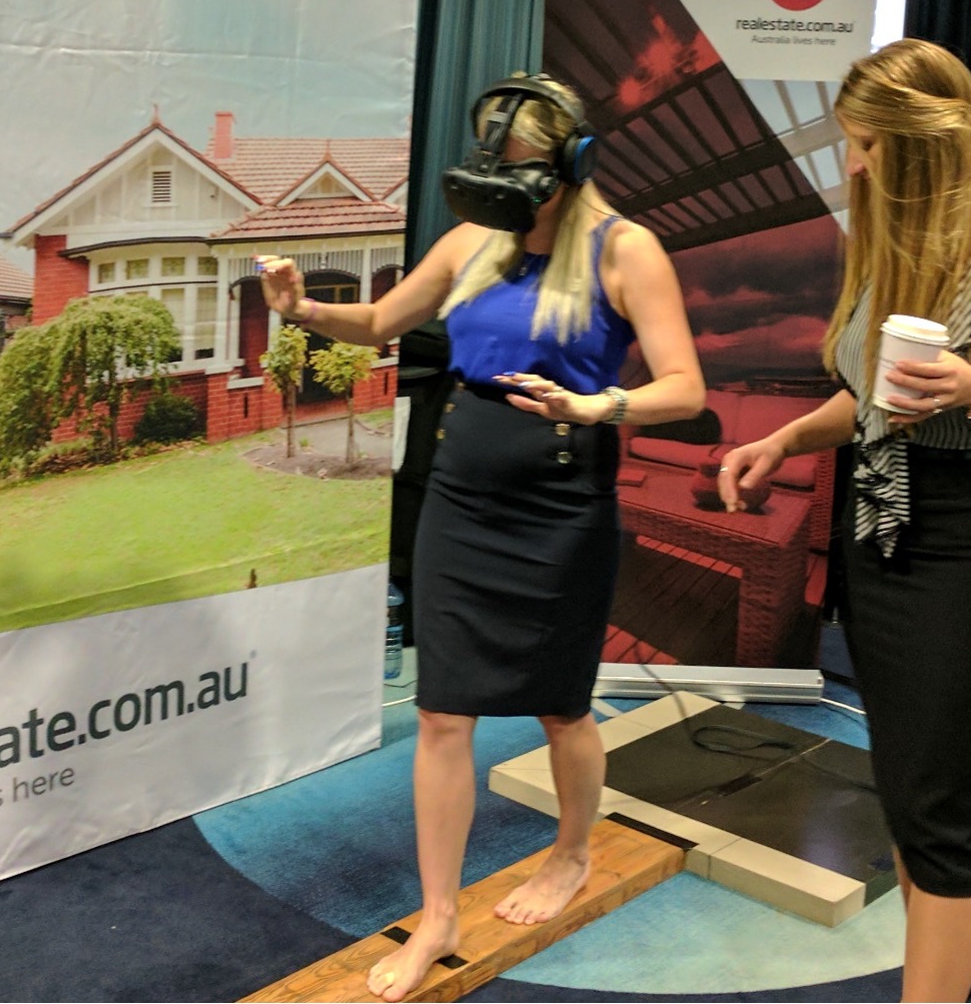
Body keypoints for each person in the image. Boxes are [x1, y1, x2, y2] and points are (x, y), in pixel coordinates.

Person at [255, 75, 704, 1003]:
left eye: (520, 165)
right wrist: (301, 308)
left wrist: (598, 403)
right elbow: (382, 323)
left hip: (562, 508)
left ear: (570, 162)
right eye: (493, 163)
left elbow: (685, 389)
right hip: (461, 499)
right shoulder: (470, 243)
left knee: (562, 705)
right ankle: (439, 917)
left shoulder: (628, 252)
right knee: (441, 712)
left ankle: (573, 853)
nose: (501, 181)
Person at [716, 39, 971, 1003]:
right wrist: (787, 441)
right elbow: (873, 398)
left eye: (866, 145)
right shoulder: (887, 242)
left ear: (927, 144)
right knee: (906, 788)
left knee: (944, 802)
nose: (851, 165)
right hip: (881, 527)